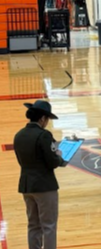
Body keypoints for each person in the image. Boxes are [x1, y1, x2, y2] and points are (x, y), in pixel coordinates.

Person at [14, 100, 66, 249]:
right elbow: (52, 162)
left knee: (33, 225)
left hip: (26, 185)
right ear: (42, 118)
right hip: (44, 186)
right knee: (48, 225)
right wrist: (58, 156)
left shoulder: (19, 135)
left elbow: (21, 160)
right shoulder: (43, 135)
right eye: (47, 119)